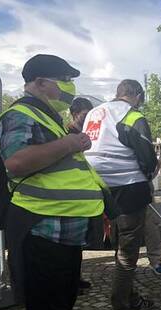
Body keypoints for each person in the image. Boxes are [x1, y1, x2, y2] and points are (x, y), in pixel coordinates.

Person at [0, 54, 107, 310]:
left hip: (60, 231)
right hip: (41, 230)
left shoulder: (47, 116)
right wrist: (70, 142)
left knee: (60, 302)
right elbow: (15, 162)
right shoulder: (20, 114)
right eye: (62, 79)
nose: (67, 86)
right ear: (40, 82)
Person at [83, 79, 158, 310]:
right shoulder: (132, 114)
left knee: (118, 245)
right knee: (128, 254)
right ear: (136, 95)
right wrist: (150, 175)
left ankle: (131, 298)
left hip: (98, 186)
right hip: (128, 186)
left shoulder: (95, 112)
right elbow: (147, 157)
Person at [68, 97, 95, 291]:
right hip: (71, 195)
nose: (87, 119)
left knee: (77, 243)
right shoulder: (68, 134)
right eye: (84, 115)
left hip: (82, 195)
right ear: (74, 114)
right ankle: (70, 280)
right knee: (70, 242)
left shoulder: (84, 134)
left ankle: (76, 277)